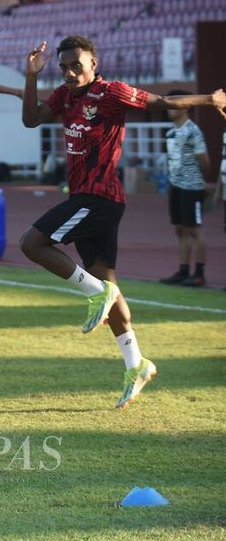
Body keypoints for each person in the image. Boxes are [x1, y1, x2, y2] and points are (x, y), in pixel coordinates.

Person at [21, 35, 226, 408]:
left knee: (32, 243)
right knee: (108, 282)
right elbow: (31, 120)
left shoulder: (112, 92)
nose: (69, 72)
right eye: (63, 67)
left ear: (94, 64)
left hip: (100, 198)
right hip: (86, 197)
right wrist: (31, 75)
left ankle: (96, 292)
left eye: (76, 65)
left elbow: (163, 102)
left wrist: (209, 101)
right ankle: (137, 364)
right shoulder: (64, 96)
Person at [158, 90, 211, 287]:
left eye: (175, 103)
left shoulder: (193, 131)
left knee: (194, 229)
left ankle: (199, 273)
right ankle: (183, 270)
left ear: (187, 105)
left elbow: (204, 161)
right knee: (180, 229)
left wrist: (205, 182)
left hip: (192, 186)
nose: (170, 108)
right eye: (168, 103)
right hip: (176, 186)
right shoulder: (170, 132)